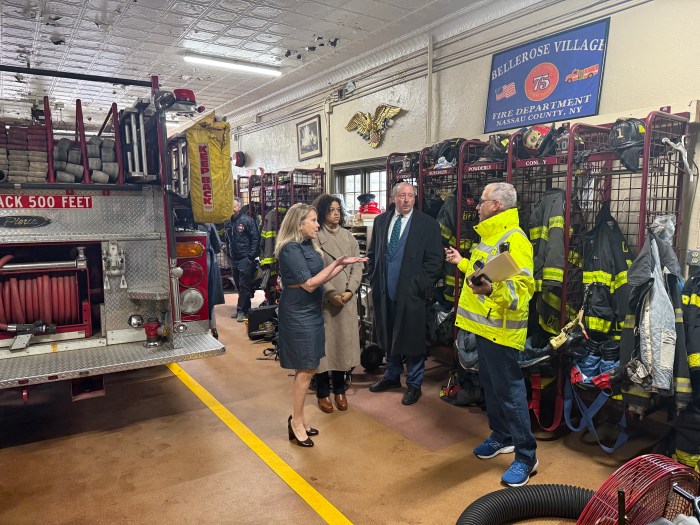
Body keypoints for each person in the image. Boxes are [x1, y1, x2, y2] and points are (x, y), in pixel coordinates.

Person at [445, 182, 537, 487]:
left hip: (502, 332)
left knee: (511, 393)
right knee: (492, 388)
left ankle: (526, 456)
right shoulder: (491, 236)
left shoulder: (515, 240)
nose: (477, 205)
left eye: (482, 201)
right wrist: (462, 263)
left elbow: (523, 290)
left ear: (497, 205)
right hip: (483, 328)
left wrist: (493, 288)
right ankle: (502, 436)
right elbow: (481, 273)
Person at [275, 203, 366, 447]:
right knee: (305, 370)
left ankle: (299, 418)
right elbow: (310, 284)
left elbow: (317, 278)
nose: (318, 224)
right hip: (298, 313)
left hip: (311, 310)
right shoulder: (289, 249)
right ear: (299, 223)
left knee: (308, 368)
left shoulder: (307, 245)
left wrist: (340, 264)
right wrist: (339, 265)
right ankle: (296, 422)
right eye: (313, 220)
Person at [366, 182, 443, 405]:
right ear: (393, 199)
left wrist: (416, 285)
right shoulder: (381, 221)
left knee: (412, 340)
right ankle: (391, 376)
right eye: (402, 196)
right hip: (384, 291)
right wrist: (374, 277)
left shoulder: (427, 225)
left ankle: (414, 384)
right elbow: (373, 255)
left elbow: (435, 261)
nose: (407, 200)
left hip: (412, 295)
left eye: (410, 196)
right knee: (388, 335)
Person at [311, 194, 363, 413]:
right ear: (322, 212)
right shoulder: (314, 237)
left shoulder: (348, 237)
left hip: (346, 301)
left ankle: (339, 390)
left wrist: (350, 290)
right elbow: (315, 270)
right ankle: (323, 392)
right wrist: (331, 294)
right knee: (324, 350)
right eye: (331, 210)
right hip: (325, 301)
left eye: (338, 210)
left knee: (342, 346)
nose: (335, 213)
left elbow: (357, 265)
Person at [224, 196, 260, 322]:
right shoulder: (228, 222)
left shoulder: (247, 221)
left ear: (239, 207)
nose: (232, 208)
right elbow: (227, 239)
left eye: (234, 206)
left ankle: (241, 311)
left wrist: (251, 257)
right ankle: (246, 310)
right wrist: (228, 254)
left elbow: (255, 239)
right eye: (230, 206)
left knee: (244, 285)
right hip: (234, 258)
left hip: (245, 258)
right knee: (239, 286)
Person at [202, 223, 225, 338]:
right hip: (206, 261)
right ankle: (213, 327)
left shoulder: (174, 220)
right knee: (208, 295)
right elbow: (217, 245)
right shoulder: (207, 221)